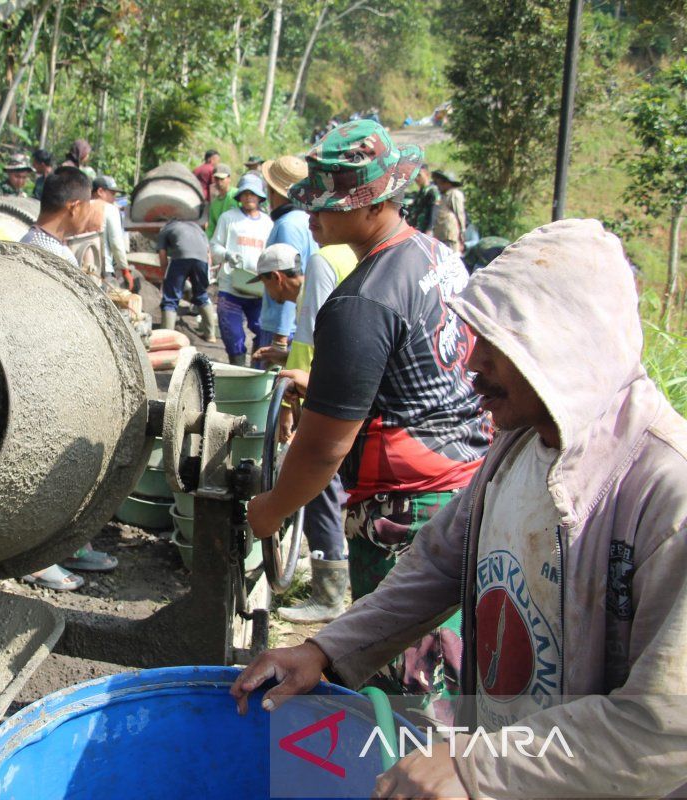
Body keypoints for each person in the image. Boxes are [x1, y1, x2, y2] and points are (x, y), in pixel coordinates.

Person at [233, 219, 687, 800]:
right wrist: (324, 650)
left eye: (497, 344)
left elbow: (662, 728)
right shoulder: (518, 447)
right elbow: (436, 567)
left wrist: (479, 766)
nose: (471, 365)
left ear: (567, 343)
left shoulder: (663, 494)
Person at [244, 121, 490, 703]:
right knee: (461, 663)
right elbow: (420, 363)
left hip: (408, 513)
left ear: (371, 203)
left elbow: (323, 446)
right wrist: (327, 380)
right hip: (471, 484)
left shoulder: (360, 301)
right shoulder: (436, 255)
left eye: (325, 205)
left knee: (414, 685)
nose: (311, 218)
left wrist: (273, 508)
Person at [19, 167, 118, 589]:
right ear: (73, 206)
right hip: (43, 380)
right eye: (88, 207)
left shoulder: (41, 245)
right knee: (47, 472)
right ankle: (37, 558)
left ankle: (70, 545)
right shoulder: (45, 255)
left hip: (59, 374)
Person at [253, 237, 358, 624]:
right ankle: (326, 567)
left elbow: (310, 341)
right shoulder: (353, 255)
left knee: (320, 483)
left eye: (265, 284)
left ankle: (328, 593)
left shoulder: (323, 263)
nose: (268, 292)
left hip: (326, 395)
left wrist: (286, 407)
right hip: (353, 388)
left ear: (277, 277)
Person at [258, 155, 316, 365]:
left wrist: (280, 338)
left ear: (273, 191)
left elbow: (285, 278)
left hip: (283, 324)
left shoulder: (287, 226)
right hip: (298, 318)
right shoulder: (305, 220)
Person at [209, 173, 272, 366]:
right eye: (244, 193)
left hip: (258, 289)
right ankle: (237, 368)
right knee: (232, 333)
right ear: (239, 196)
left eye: (252, 194)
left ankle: (256, 368)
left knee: (263, 329)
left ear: (260, 197)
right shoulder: (229, 218)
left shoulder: (268, 223)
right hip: (231, 286)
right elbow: (215, 245)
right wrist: (227, 255)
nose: (248, 197)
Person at [20, 166, 95, 266]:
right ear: (75, 207)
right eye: (87, 207)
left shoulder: (27, 240)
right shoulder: (60, 258)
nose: (88, 215)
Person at [156, 218, 216, 341]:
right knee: (201, 294)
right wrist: (206, 272)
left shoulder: (165, 229)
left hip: (180, 258)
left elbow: (162, 255)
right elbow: (208, 254)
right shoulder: (197, 228)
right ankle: (210, 335)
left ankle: (166, 338)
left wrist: (166, 275)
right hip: (202, 259)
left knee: (170, 298)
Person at [92, 174, 133, 286]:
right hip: (102, 269)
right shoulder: (110, 209)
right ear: (100, 191)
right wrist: (125, 270)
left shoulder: (80, 207)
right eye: (112, 193)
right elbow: (116, 243)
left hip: (79, 263)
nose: (114, 197)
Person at [432, 168, 468, 253]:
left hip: (450, 235)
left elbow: (460, 214)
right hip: (441, 235)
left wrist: (462, 233)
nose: (438, 185)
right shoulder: (443, 196)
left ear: (446, 183)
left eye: (439, 183)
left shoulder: (454, 194)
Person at [205, 163, 238, 239]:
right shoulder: (214, 204)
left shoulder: (237, 195)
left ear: (229, 178)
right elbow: (211, 227)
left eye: (222, 179)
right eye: (216, 179)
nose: (219, 182)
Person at [407, 163, 440, 234]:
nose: (416, 178)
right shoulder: (421, 192)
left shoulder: (432, 191)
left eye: (419, 175)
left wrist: (429, 230)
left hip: (424, 230)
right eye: (415, 176)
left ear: (427, 175)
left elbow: (433, 212)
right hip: (415, 228)